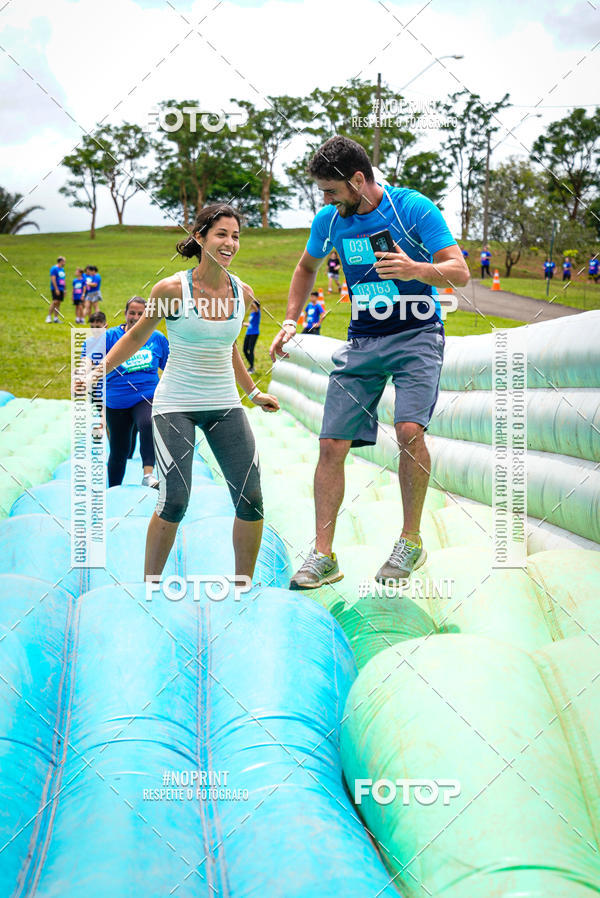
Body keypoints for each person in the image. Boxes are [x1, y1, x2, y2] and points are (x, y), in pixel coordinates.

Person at [270, 135, 469, 588]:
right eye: (322, 192)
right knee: (330, 445)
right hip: (363, 338)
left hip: (417, 332)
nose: (325, 200)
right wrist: (289, 320)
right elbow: (306, 268)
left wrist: (417, 269)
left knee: (408, 430)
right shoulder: (329, 220)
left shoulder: (413, 208)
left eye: (331, 191)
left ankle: (411, 540)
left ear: (358, 180)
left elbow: (459, 271)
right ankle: (323, 555)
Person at [92, 204, 279, 585]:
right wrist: (97, 371)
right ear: (200, 238)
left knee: (252, 499)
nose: (230, 242)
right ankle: (151, 588)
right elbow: (136, 337)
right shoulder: (172, 289)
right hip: (176, 405)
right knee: (175, 500)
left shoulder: (242, 292)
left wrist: (254, 392)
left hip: (224, 404)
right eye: (221, 234)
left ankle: (243, 587)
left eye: (236, 235)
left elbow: (228, 347)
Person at [85, 297, 169, 488]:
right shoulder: (111, 337)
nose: (136, 317)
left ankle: (148, 475)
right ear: (125, 314)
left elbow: (170, 366)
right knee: (119, 451)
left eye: (141, 314)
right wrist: (84, 373)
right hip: (116, 402)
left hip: (146, 395)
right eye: (132, 312)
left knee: (148, 423)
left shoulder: (157, 339)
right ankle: (113, 489)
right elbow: (90, 356)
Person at [242, 299, 261, 373]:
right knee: (245, 350)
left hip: (254, 333)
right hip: (248, 333)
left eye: (252, 305)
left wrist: (251, 298)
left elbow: (255, 307)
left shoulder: (257, 312)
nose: (250, 306)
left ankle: (252, 368)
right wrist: (243, 324)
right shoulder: (252, 313)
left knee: (251, 350)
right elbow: (250, 324)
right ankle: (251, 366)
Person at [47, 256, 66, 323]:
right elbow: (53, 279)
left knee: (58, 303)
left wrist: (64, 289)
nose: (65, 263)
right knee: (54, 302)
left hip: (61, 288)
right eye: (64, 261)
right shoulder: (54, 268)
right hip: (56, 288)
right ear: (60, 261)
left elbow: (63, 280)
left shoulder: (62, 269)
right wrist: (56, 289)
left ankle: (56, 318)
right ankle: (48, 317)